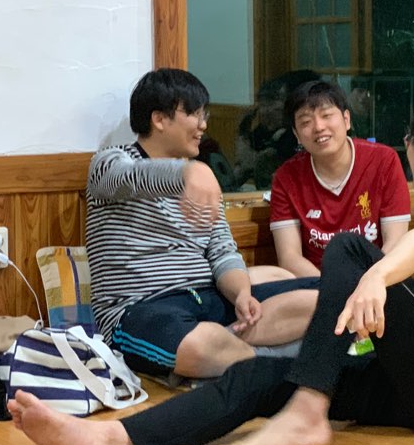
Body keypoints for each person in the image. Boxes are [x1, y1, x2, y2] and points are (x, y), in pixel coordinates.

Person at [8, 95, 414, 445]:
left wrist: (376, 275)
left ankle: (309, 408)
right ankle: (111, 441)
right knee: (260, 376)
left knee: (350, 249)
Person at [87, 68, 321, 380]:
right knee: (197, 346)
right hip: (140, 310)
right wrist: (188, 173)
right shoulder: (110, 162)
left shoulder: (201, 184)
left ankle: (233, 353)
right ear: (159, 119)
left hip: (206, 296)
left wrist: (241, 295)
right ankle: (272, 363)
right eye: (194, 114)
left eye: (204, 114)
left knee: (329, 296)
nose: (204, 125)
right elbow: (127, 178)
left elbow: (222, 252)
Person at [269, 80, 412, 277]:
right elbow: (289, 257)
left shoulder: (383, 161)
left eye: (327, 115)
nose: (319, 127)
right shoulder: (286, 178)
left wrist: (368, 284)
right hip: (316, 284)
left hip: (377, 280)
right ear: (296, 134)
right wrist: (330, 288)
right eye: (306, 122)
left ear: (346, 119)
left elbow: (395, 244)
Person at [233, 70, 320, 190]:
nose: (279, 107)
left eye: (280, 99)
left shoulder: (302, 136)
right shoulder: (269, 130)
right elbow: (243, 168)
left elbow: (256, 163)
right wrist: (243, 129)